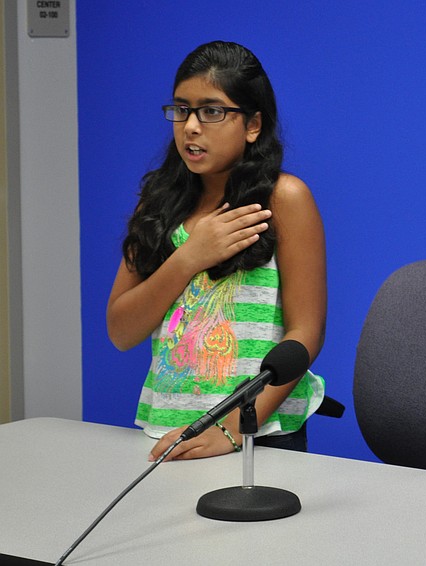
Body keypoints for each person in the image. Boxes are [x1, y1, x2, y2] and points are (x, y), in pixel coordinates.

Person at [107, 41, 327, 461]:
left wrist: (230, 432)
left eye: (212, 111)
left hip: (257, 436)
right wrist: (189, 256)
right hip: (169, 430)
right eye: (181, 110)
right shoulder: (157, 202)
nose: (190, 126)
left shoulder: (285, 199)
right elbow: (121, 331)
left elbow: (306, 336)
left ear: (253, 125)